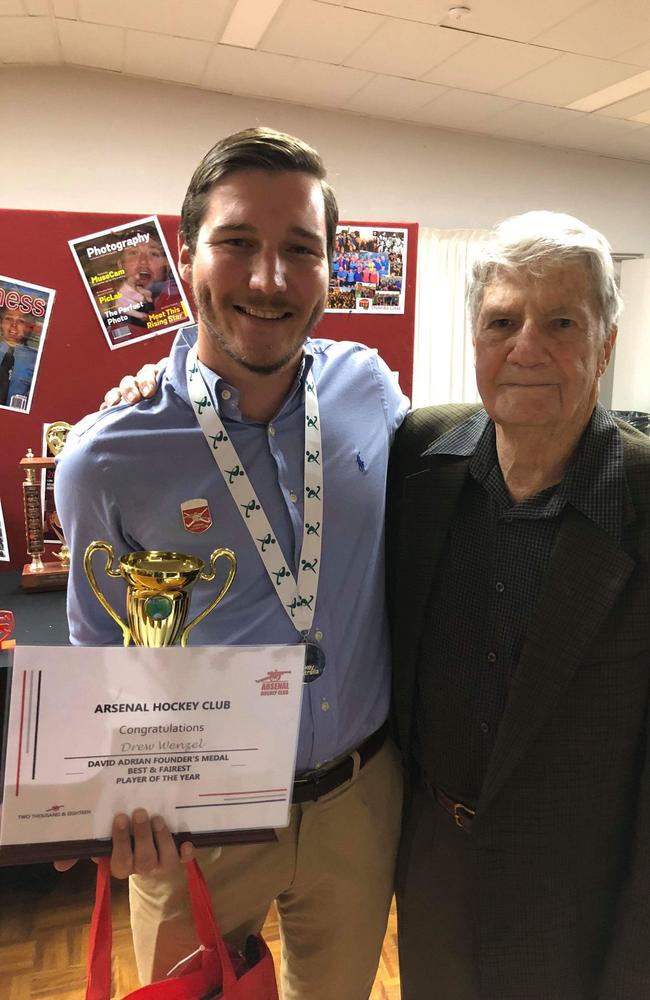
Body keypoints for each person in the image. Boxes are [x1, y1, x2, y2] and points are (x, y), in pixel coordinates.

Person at [55, 127, 408, 1000]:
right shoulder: (109, 457)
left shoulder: (370, 392)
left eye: (301, 250)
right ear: (184, 255)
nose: (268, 279)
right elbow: (102, 668)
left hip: (361, 800)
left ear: (331, 269)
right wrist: (112, 803)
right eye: (237, 243)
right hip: (194, 825)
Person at [387, 211, 650, 1000]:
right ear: (474, 339)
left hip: (582, 901)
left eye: (560, 320)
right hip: (432, 875)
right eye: (502, 320)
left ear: (606, 343)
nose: (526, 347)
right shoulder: (418, 461)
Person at [0, 306, 37, 407]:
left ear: (29, 328)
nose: (13, 325)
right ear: (1, 323)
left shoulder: (36, 360)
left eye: (21, 321)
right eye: (8, 319)